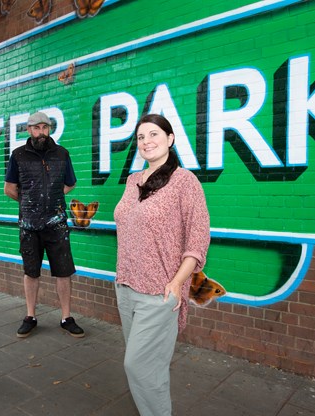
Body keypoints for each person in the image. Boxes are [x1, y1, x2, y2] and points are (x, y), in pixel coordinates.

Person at [114, 114, 210, 415]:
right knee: (148, 367)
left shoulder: (185, 181)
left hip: (160, 290)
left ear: (170, 139)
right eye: (141, 137)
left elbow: (198, 237)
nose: (146, 142)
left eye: (154, 134)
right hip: (126, 287)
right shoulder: (133, 180)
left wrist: (177, 282)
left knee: (137, 364)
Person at [4, 111, 85, 338]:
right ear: (29, 130)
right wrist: (31, 200)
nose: (41, 132)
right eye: (36, 128)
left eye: (45, 127)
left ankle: (66, 317)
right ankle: (30, 316)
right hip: (29, 226)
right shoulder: (18, 156)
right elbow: (9, 189)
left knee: (64, 272)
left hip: (57, 224)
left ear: (49, 129)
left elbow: (70, 183)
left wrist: (51, 197)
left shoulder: (61, 154)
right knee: (31, 272)